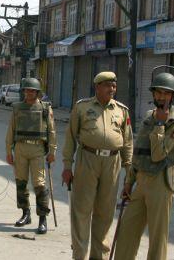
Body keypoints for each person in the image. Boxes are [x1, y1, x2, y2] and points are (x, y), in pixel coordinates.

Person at [113, 68, 174, 260]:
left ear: (173, 96)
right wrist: (129, 181)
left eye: (166, 93)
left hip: (161, 184)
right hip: (141, 182)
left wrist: (160, 125)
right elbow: (138, 152)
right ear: (153, 93)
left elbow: (157, 155)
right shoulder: (149, 116)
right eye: (158, 92)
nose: (162, 97)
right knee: (127, 231)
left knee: (157, 237)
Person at [62, 71, 133, 259]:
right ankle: (79, 255)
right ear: (97, 87)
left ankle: (99, 256)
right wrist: (67, 166)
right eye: (108, 85)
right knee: (82, 211)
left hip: (112, 163)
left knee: (106, 212)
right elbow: (70, 138)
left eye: (114, 85)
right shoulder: (82, 108)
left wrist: (129, 171)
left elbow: (127, 142)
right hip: (87, 159)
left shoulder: (121, 110)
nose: (112, 89)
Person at [5, 77, 56, 234]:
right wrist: (8, 151)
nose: (29, 93)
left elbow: (52, 131)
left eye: (32, 90)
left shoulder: (45, 108)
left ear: (37, 92)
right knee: (21, 181)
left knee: (39, 184)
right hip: (20, 148)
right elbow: (11, 131)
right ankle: (25, 213)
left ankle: (42, 219)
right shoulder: (17, 108)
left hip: (37, 149)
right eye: (26, 90)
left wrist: (52, 151)